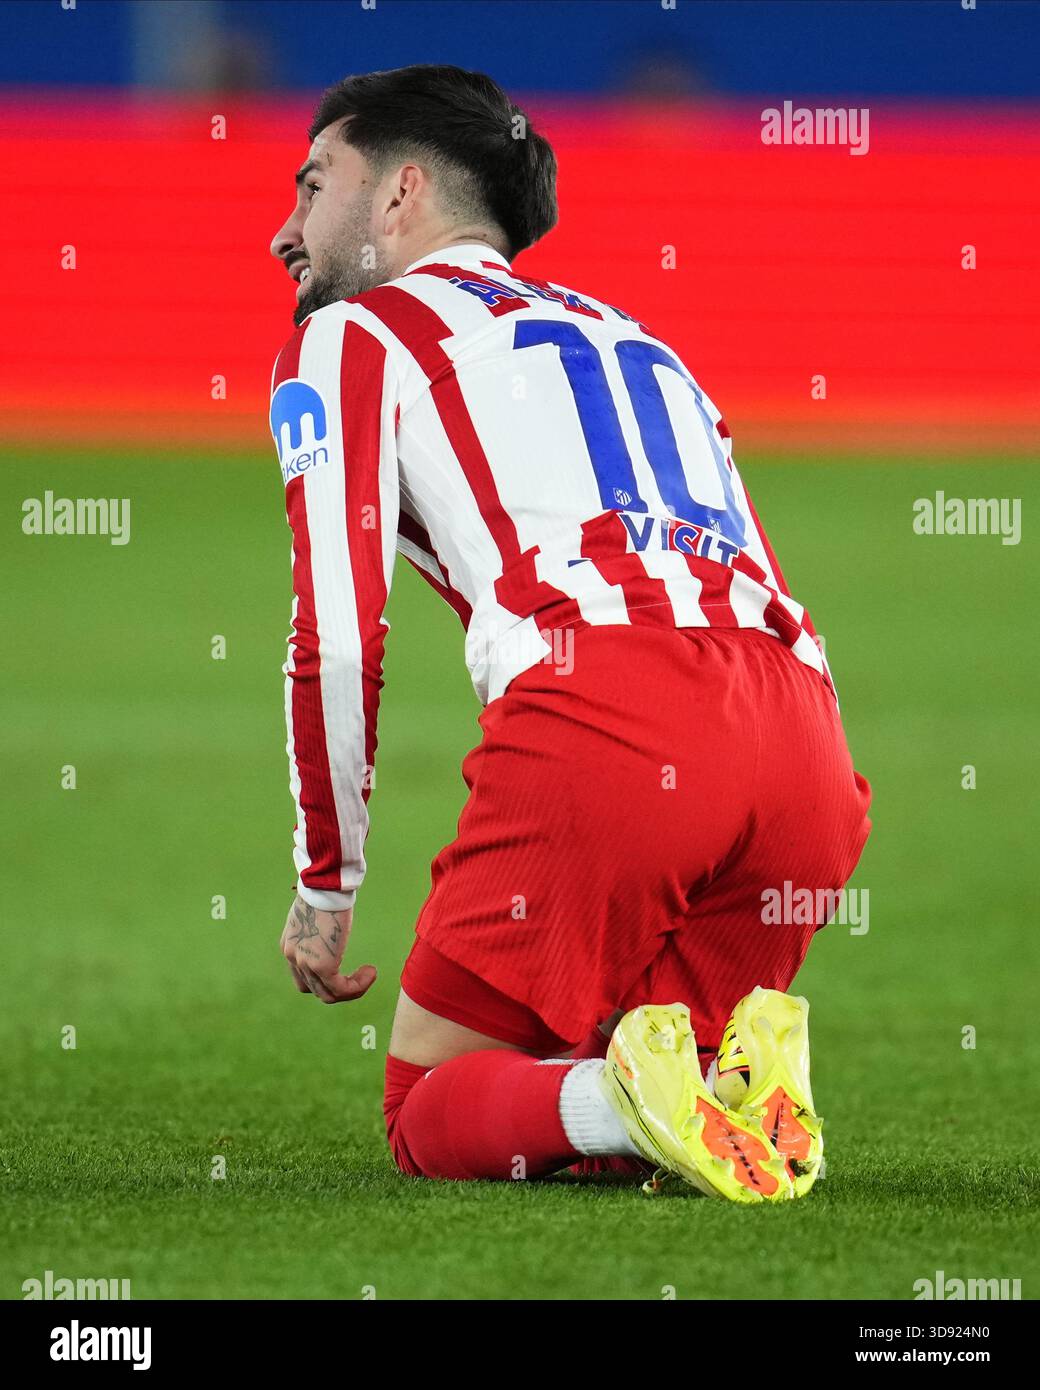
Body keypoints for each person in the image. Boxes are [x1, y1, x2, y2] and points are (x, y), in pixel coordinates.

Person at [268, 64, 871, 1202]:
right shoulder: (638, 338)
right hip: (804, 752)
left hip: (608, 714)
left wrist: (328, 879)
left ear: (398, 195)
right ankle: (719, 1073)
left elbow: (337, 637)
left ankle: (636, 1091)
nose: (284, 233)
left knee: (427, 1107)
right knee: (610, 1099)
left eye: (313, 185)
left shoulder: (351, 336)